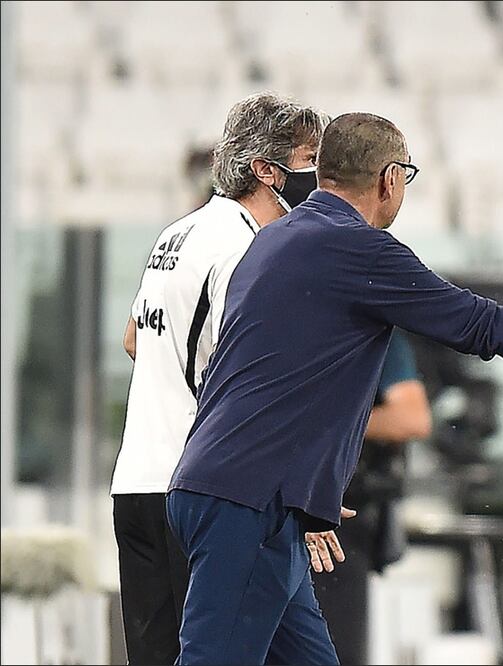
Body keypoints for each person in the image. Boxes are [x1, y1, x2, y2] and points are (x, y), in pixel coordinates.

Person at [164, 112, 503, 665]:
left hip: (234, 489)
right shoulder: (360, 250)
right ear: (390, 178)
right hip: (251, 501)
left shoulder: (272, 242)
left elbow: (250, 378)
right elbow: (487, 329)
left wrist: (305, 489)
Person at [110, 92, 325, 665]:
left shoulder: (177, 233)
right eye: (309, 159)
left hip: (136, 481)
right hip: (206, 493)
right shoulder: (246, 249)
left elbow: (135, 338)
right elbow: (246, 378)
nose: (319, 176)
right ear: (264, 168)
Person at [315, 330, 433, 665]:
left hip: (340, 522)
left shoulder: (373, 334)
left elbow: (412, 418)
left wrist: (317, 423)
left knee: (333, 651)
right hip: (275, 517)